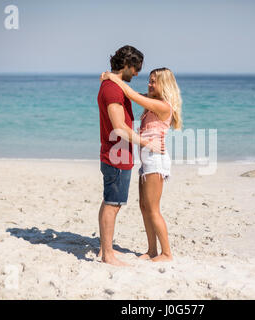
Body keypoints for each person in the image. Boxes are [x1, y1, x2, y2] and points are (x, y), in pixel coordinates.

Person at [100, 67, 182, 262]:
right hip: (147, 159)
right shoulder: (154, 101)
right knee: (144, 206)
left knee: (153, 208)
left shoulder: (164, 106)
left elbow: (130, 94)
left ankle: (167, 253)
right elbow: (132, 94)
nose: (149, 84)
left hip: (156, 159)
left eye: (154, 81)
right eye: (149, 80)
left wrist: (112, 78)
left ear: (164, 84)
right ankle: (152, 250)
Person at [97, 45, 164, 266]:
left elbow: (136, 96)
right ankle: (107, 254)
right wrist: (147, 143)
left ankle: (104, 250)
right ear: (126, 65)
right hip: (117, 155)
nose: (137, 73)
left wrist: (110, 77)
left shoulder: (114, 86)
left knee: (110, 201)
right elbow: (119, 127)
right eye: (135, 68)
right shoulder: (113, 90)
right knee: (113, 204)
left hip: (116, 154)